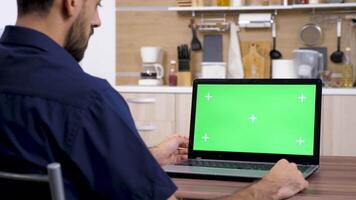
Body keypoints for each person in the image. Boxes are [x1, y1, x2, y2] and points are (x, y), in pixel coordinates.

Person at [0, 0, 308, 199]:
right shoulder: (88, 100)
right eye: (97, 5)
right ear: (71, 3)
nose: (97, 21)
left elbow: (54, 163)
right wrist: (266, 189)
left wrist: (141, 157)